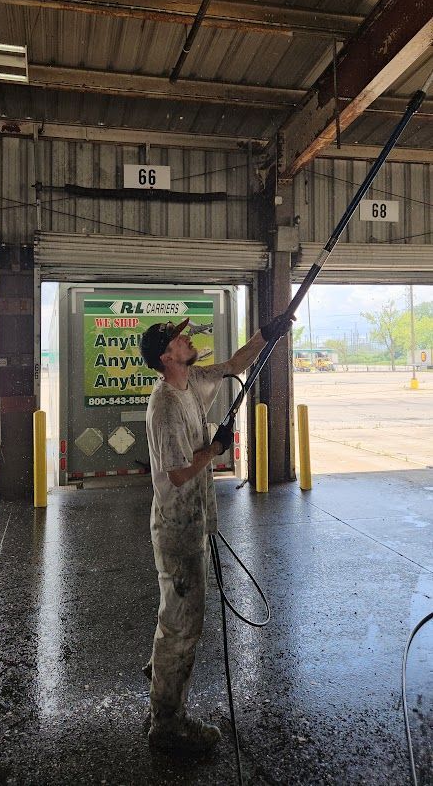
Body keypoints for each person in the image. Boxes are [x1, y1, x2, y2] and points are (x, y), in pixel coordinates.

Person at [139, 312, 293, 754]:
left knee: (177, 615)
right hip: (177, 526)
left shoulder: (191, 381)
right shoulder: (166, 404)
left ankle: (161, 671)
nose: (189, 341)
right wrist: (217, 450)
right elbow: (179, 472)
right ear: (168, 357)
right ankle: (167, 723)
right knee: (183, 626)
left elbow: (235, 364)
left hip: (193, 519)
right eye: (179, 340)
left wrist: (271, 331)